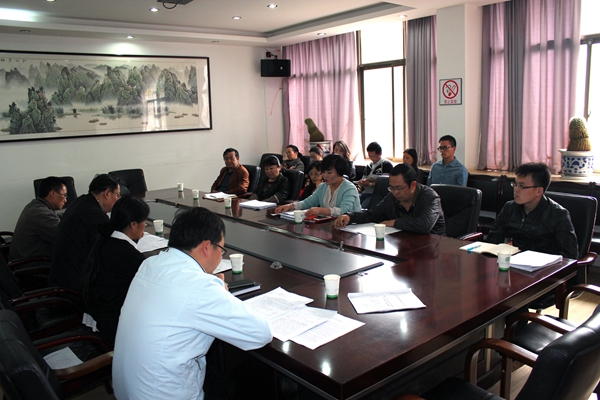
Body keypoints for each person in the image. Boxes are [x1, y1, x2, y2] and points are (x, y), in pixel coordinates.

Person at [113, 207, 272, 399]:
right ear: (206, 247)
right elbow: (260, 334)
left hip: (128, 391)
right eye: (221, 250)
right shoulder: (199, 286)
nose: (221, 256)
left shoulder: (150, 264)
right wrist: (221, 293)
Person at [81, 196, 149, 346]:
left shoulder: (105, 239)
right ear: (133, 225)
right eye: (144, 221)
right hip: (112, 328)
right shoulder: (130, 256)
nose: (145, 225)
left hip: (95, 318)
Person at [486, 162, 577, 259]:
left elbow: (570, 255)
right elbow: (493, 239)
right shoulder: (509, 208)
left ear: (539, 191)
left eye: (522, 186)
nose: (516, 189)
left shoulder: (558, 214)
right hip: (515, 261)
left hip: (544, 264)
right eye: (515, 184)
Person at [49, 174, 120, 292]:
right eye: (117, 195)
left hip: (63, 276)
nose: (118, 200)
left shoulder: (82, 202)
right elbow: (109, 252)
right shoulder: (95, 216)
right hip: (75, 284)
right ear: (107, 193)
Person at [334, 164, 445, 235]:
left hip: (432, 247)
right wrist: (350, 217)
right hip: (404, 243)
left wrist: (394, 222)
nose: (395, 192)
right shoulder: (393, 197)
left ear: (413, 186)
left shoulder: (430, 197)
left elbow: (424, 225)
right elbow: (373, 214)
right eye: (392, 188)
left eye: (399, 188)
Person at [275, 154, 361, 218]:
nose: (325, 176)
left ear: (340, 172)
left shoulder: (349, 188)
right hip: (331, 225)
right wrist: (290, 206)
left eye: (329, 173)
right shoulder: (323, 187)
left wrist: (320, 210)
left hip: (351, 228)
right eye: (323, 172)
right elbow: (308, 202)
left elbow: (344, 211)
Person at [9, 176, 67, 263]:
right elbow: (67, 237)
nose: (65, 200)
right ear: (52, 194)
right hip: (33, 265)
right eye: (64, 195)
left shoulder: (35, 205)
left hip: (24, 259)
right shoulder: (42, 214)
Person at [357, 142, 394, 208]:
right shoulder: (369, 166)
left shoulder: (386, 165)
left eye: (373, 156)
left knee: (363, 207)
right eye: (369, 156)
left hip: (376, 194)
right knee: (353, 203)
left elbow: (386, 183)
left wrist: (370, 184)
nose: (371, 158)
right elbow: (364, 178)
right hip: (365, 192)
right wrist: (361, 183)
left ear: (380, 154)